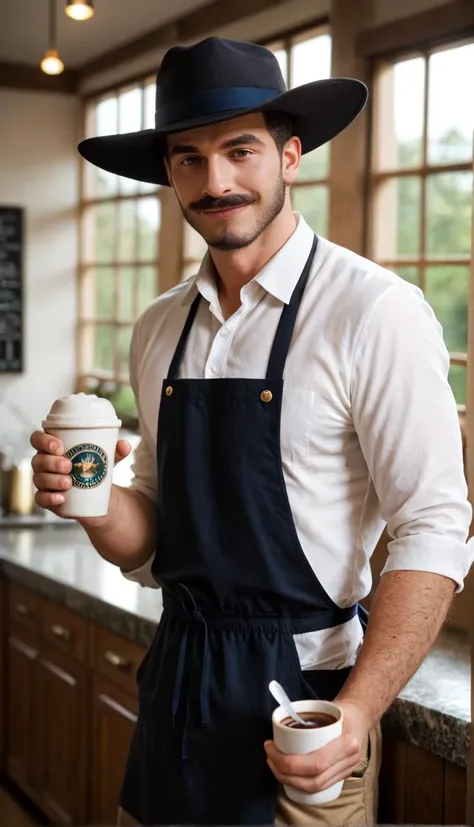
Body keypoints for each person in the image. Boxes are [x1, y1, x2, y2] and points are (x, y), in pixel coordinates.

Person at [30, 36, 473, 827]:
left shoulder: (374, 313)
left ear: (291, 153)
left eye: (241, 149)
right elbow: (152, 532)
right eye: (189, 158)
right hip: (177, 693)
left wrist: (359, 715)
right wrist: (90, 503)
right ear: (168, 171)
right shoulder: (159, 326)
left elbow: (434, 529)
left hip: (306, 715)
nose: (217, 181)